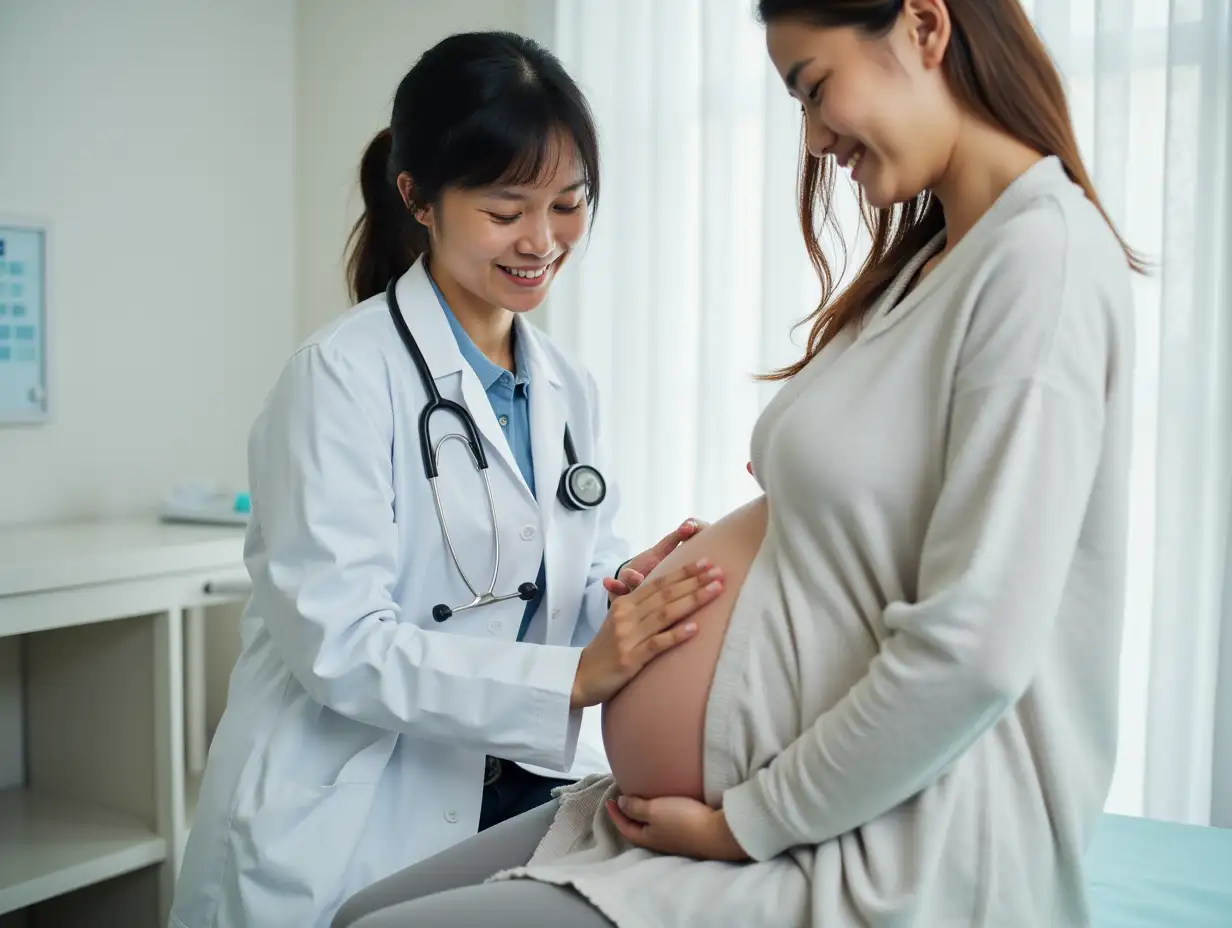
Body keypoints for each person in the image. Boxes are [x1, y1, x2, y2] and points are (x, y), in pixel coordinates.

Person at [330, 1, 1140, 926]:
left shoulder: (1043, 259)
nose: (815, 136)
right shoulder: (932, 266)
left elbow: (976, 652)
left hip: (871, 834)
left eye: (814, 87)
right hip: (750, 804)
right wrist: (638, 595)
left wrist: (747, 823)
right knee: (362, 912)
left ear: (924, 27)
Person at [168, 31, 722, 928]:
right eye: (507, 210)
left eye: (569, 205)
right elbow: (342, 646)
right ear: (417, 198)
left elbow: (540, 584)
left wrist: (616, 595)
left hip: (507, 795)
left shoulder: (564, 384)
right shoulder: (340, 377)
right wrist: (576, 676)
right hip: (347, 814)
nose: (543, 241)